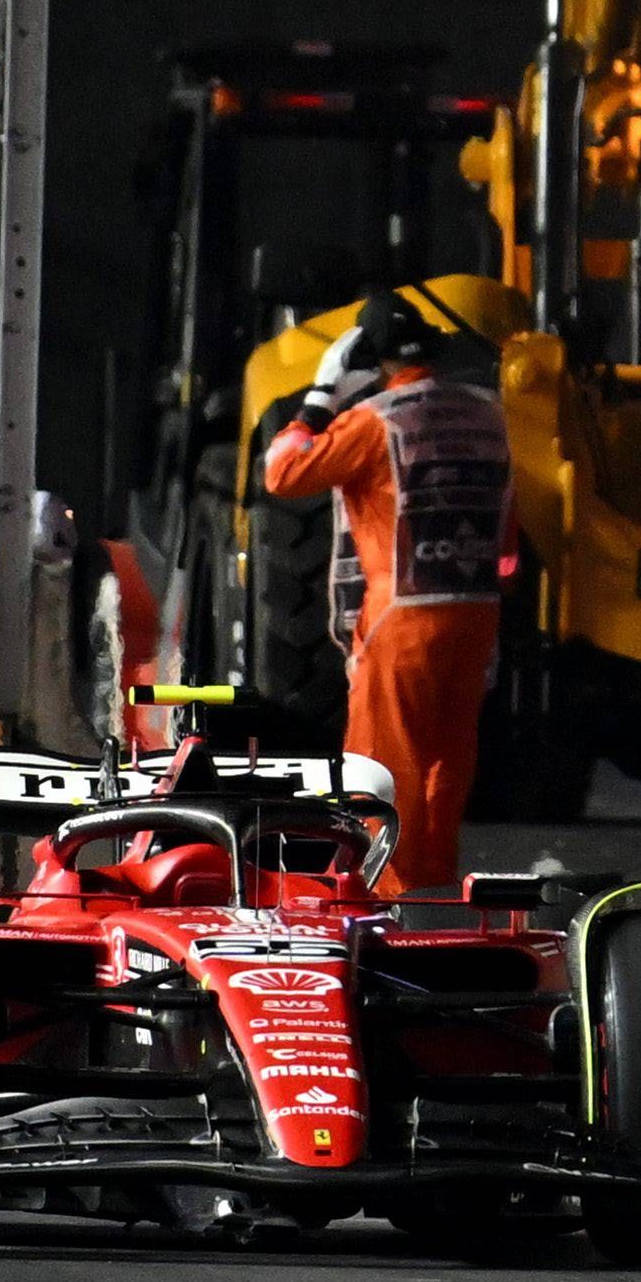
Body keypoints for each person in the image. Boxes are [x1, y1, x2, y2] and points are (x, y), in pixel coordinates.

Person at [259, 291, 513, 894]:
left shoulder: (375, 422)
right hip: (476, 612)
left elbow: (282, 473)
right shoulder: (487, 417)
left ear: (371, 360)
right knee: (447, 762)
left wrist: (321, 398)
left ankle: (386, 894)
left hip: (402, 617)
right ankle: (435, 893)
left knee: (382, 767)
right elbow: (506, 534)